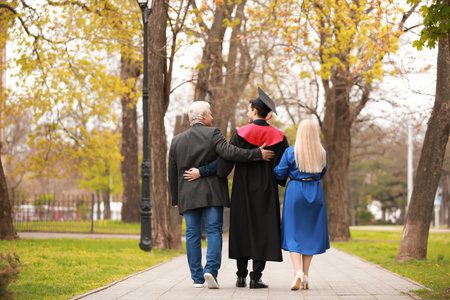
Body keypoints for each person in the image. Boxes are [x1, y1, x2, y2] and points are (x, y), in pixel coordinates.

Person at [168, 101, 274, 289]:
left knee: (192, 234)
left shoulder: (177, 140)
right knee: (214, 231)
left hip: (188, 194)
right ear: (202, 117)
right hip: (212, 193)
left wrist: (175, 198)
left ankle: (197, 278)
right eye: (209, 113)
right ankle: (211, 271)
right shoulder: (213, 134)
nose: (212, 116)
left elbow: (172, 172)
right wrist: (256, 154)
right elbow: (229, 154)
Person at [192, 88, 288, 289]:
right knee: (263, 229)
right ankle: (256, 277)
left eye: (248, 109)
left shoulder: (240, 133)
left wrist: (210, 173)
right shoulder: (279, 136)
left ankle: (241, 276)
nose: (246, 113)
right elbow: (282, 167)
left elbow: (227, 160)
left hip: (242, 189)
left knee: (242, 228)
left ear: (254, 112)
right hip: (266, 190)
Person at [273, 119, 329, 290]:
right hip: (315, 191)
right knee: (310, 234)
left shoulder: (291, 152)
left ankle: (297, 271)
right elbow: (323, 172)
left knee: (293, 232)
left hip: (295, 192)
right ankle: (306, 275)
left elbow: (279, 173)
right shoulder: (322, 153)